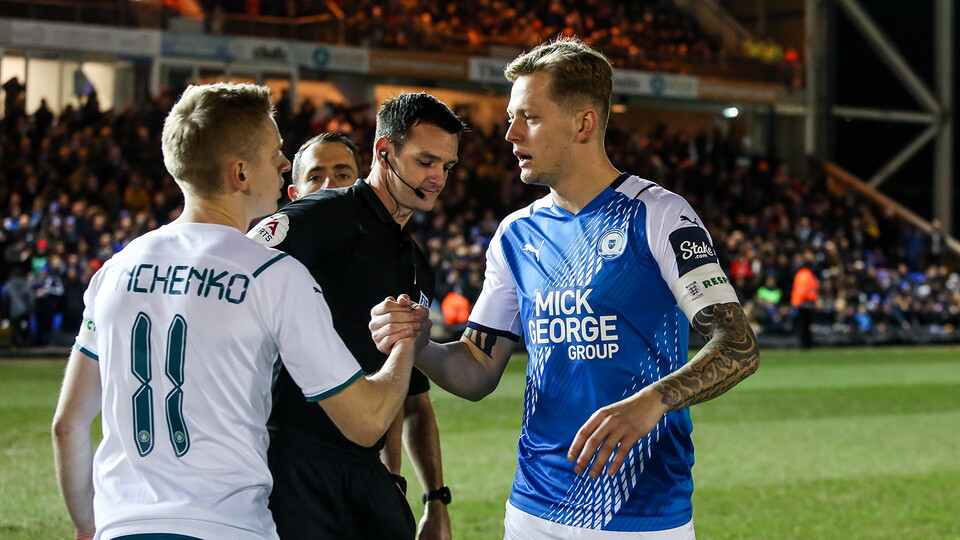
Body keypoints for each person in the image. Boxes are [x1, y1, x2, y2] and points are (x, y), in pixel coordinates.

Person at [371, 38, 761, 539]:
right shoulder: (515, 235)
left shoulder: (658, 215)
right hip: (533, 510)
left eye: (528, 117)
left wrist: (653, 401)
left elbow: (738, 345)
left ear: (584, 123)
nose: (509, 133)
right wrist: (419, 343)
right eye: (511, 116)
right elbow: (475, 372)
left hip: (642, 515)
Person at [51, 83, 422, 540]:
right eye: (275, 154)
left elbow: (68, 425)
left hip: (122, 525)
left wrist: (88, 526)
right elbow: (365, 423)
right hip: (228, 525)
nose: (285, 165)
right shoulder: (271, 273)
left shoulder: (115, 270)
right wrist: (404, 340)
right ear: (241, 174)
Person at [247, 93, 465, 540]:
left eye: (446, 166)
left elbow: (413, 397)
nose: (437, 178)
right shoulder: (325, 214)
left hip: (364, 468)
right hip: (292, 457)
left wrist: (435, 501)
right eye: (426, 161)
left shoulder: (414, 261)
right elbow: (237, 267)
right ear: (384, 152)